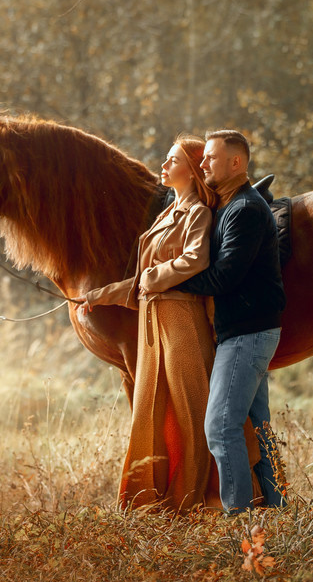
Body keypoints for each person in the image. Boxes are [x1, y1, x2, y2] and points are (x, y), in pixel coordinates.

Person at [76, 135, 220, 511]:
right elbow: (142, 280)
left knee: (193, 410)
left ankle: (201, 501)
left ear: (192, 169)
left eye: (172, 161)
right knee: (152, 410)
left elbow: (195, 261)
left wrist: (152, 279)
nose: (164, 166)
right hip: (154, 324)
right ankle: (153, 501)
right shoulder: (165, 215)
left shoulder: (199, 214)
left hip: (183, 319)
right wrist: (98, 295)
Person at [150, 129, 287, 512]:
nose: (203, 163)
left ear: (236, 163)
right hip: (251, 331)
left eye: (210, 157)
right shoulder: (231, 207)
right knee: (256, 429)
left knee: (221, 428)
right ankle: (277, 510)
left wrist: (168, 280)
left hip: (246, 333)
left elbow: (225, 276)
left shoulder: (244, 209)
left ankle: (239, 518)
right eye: (203, 158)